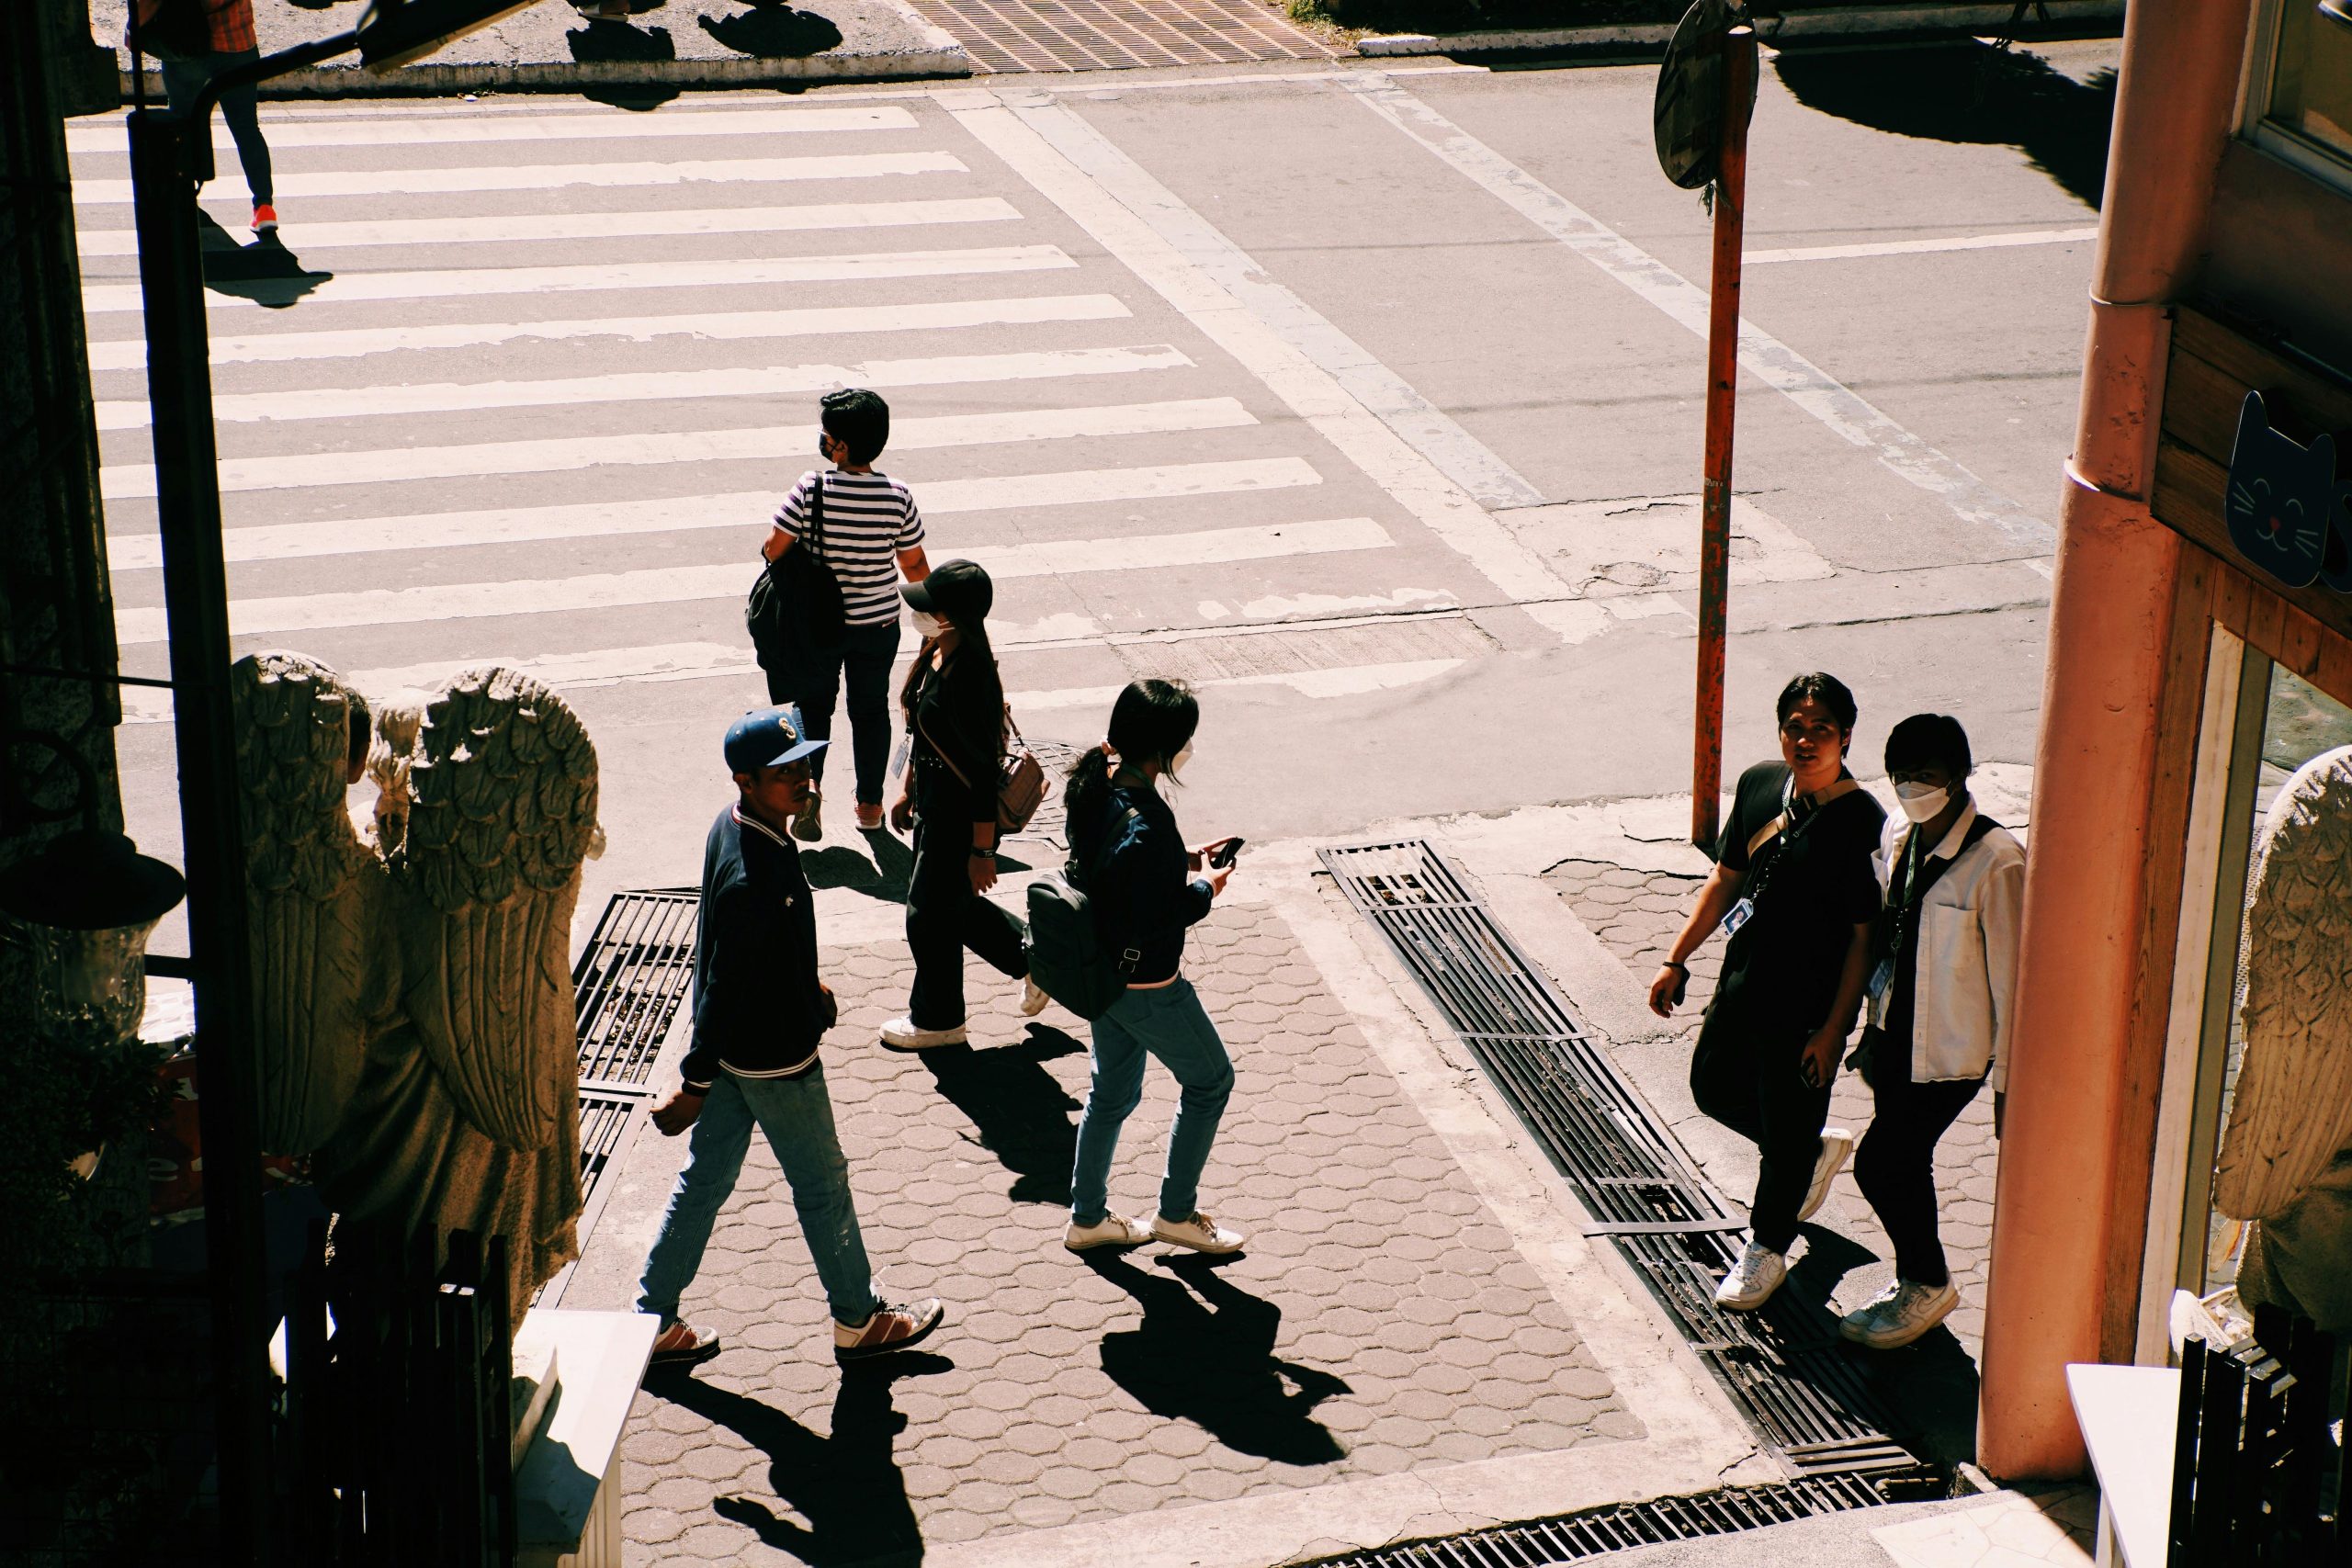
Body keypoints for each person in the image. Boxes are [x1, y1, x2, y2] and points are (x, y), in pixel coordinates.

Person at [637, 706, 945, 1368]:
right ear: (746, 780)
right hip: (774, 1059)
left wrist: (809, 985)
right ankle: (858, 1318)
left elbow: (743, 953)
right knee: (823, 1183)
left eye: (805, 764)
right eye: (785, 773)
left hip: (734, 1056)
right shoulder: (758, 874)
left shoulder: (734, 825)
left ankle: (651, 1318)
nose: (804, 780)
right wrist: (693, 1081)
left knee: (705, 1180)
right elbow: (726, 977)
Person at [1647, 672, 1886, 1312]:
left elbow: (1866, 938)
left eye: (1822, 730)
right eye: (1795, 727)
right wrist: (1677, 958)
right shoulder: (1759, 785)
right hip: (1742, 984)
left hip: (1806, 1010)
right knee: (1710, 1088)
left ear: (1846, 736)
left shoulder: (1862, 822)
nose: (1806, 741)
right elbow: (1726, 880)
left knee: (1783, 1137)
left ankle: (1767, 1248)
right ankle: (1806, 1153)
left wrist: (1835, 1029)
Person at [1841, 714, 2023, 1348]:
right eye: (1902, 775)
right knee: (1905, 1161)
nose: (1914, 786)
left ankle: (1929, 1279)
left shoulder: (1998, 862)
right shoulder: (1900, 833)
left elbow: (2014, 982)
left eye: (1928, 774)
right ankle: (1916, 1280)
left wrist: (2009, 1086)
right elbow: (1891, 936)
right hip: (1894, 1034)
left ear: (1959, 776)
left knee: (1880, 1163)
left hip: (1950, 1054)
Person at [1059, 680, 1244, 1257]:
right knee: (1211, 1082)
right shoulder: (1148, 822)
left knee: (1110, 1095)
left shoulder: (1100, 788)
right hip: (1149, 985)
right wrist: (1204, 886)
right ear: (1165, 747)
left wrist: (1183, 858)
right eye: (1185, 738)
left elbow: (1115, 870)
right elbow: (1159, 913)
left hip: (1104, 976)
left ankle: (1088, 1217)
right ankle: (1177, 1213)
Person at [762, 389, 931, 841]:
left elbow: (775, 550)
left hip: (818, 626)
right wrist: (934, 618)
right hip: (877, 624)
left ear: (840, 446)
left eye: (828, 434)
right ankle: (870, 806)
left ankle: (809, 789)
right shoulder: (897, 496)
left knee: (814, 709)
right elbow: (912, 564)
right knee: (870, 711)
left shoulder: (811, 488)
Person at [878, 560, 1032, 1050]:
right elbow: (922, 737)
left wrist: (983, 851)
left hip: (960, 821)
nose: (920, 615)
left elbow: (983, 772)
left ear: (954, 616)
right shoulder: (937, 653)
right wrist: (907, 790)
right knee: (951, 909)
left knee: (927, 917)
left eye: (930, 608)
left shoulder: (973, 677)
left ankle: (939, 1020)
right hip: (933, 808)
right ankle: (1038, 956)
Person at [134, 0, 277, 233]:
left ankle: (185, 195)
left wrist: (134, 27)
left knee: (181, 125)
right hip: (238, 45)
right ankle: (264, 207)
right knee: (246, 128)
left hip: (186, 43)